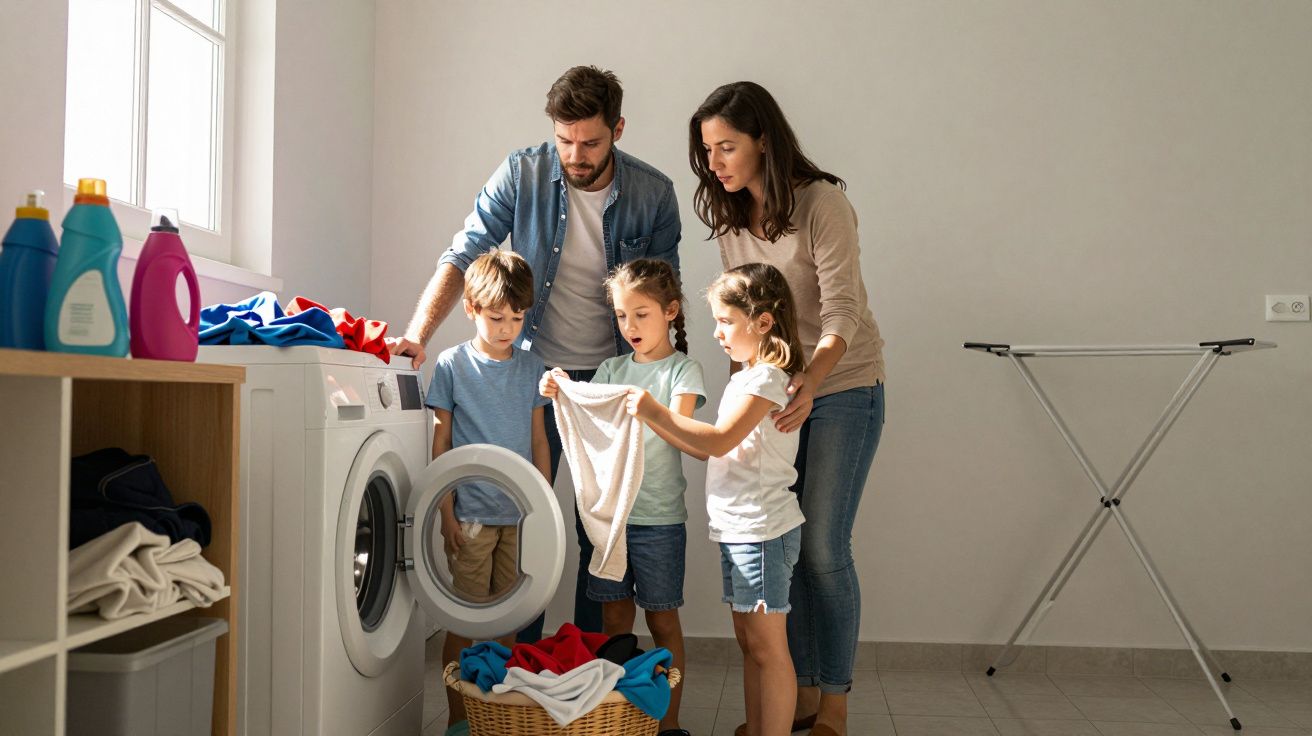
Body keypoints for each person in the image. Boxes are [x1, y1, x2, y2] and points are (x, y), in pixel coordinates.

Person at [389, 65, 682, 638]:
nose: (576, 153)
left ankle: (590, 666)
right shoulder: (522, 173)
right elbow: (464, 252)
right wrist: (418, 336)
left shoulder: (653, 194)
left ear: (618, 129)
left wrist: (666, 386)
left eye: (590, 141)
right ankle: (521, 668)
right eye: (564, 139)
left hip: (608, 378)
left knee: (598, 527)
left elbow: (662, 296)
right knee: (524, 514)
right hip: (531, 373)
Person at [689, 81, 887, 736]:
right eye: (707, 149)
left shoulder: (823, 203)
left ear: (763, 141)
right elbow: (741, 326)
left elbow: (843, 314)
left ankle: (833, 701)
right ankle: (795, 692)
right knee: (785, 544)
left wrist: (807, 380)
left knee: (824, 549)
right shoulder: (730, 221)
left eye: (727, 146)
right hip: (775, 392)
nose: (715, 161)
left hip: (842, 386)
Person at [627, 263, 806, 736]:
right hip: (738, 529)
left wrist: (653, 409)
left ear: (763, 323)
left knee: (769, 649)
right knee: (750, 646)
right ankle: (756, 726)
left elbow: (717, 442)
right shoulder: (744, 379)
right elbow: (711, 447)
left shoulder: (768, 379)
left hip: (763, 530)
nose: (717, 332)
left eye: (726, 321)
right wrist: (654, 422)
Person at [540, 258, 704, 736]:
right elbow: (588, 415)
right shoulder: (612, 368)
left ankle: (667, 724)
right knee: (614, 621)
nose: (629, 325)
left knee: (663, 620)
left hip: (658, 519)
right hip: (611, 518)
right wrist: (559, 388)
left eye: (642, 314)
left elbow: (683, 433)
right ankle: (619, 720)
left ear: (671, 310)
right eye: (621, 315)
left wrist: (650, 408)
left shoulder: (682, 370)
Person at [424, 250, 551, 736]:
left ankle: (494, 712)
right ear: (472, 309)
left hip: (519, 516)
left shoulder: (531, 366)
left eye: (517, 319)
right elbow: (441, 442)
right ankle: (459, 722)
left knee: (509, 616)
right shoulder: (453, 364)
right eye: (498, 318)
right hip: (472, 515)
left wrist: (540, 508)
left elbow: (540, 440)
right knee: (466, 619)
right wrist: (446, 513)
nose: (508, 329)